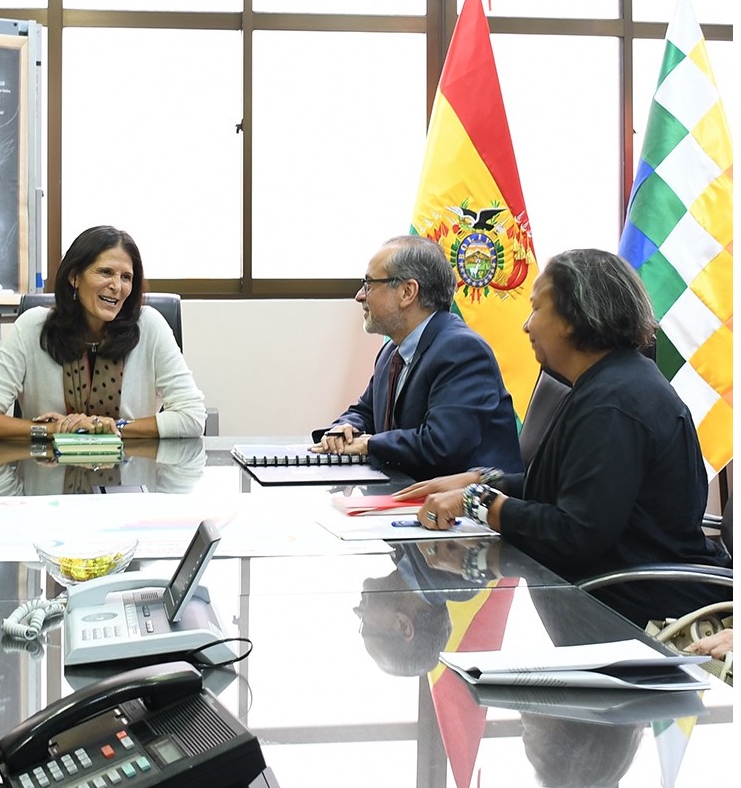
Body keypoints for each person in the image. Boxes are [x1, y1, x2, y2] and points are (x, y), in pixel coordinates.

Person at [400, 248, 731, 626]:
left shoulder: (614, 405)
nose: (527, 325)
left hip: (632, 610)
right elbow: (571, 488)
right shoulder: (609, 382)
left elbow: (575, 534)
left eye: (537, 308)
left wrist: (480, 503)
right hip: (604, 589)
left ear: (574, 319)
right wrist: (481, 481)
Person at [310, 235, 522, 479]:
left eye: (369, 284)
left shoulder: (462, 350)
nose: (359, 295)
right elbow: (365, 411)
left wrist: (368, 445)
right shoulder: (393, 350)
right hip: (408, 494)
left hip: (463, 507)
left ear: (407, 292)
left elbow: (441, 445)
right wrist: (347, 428)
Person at [0, 225, 206, 439]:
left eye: (126, 277)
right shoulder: (32, 327)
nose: (117, 286)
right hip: (47, 479)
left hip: (132, 481)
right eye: (105, 272)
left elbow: (193, 417)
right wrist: (53, 430)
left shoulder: (150, 326)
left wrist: (113, 427)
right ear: (74, 277)